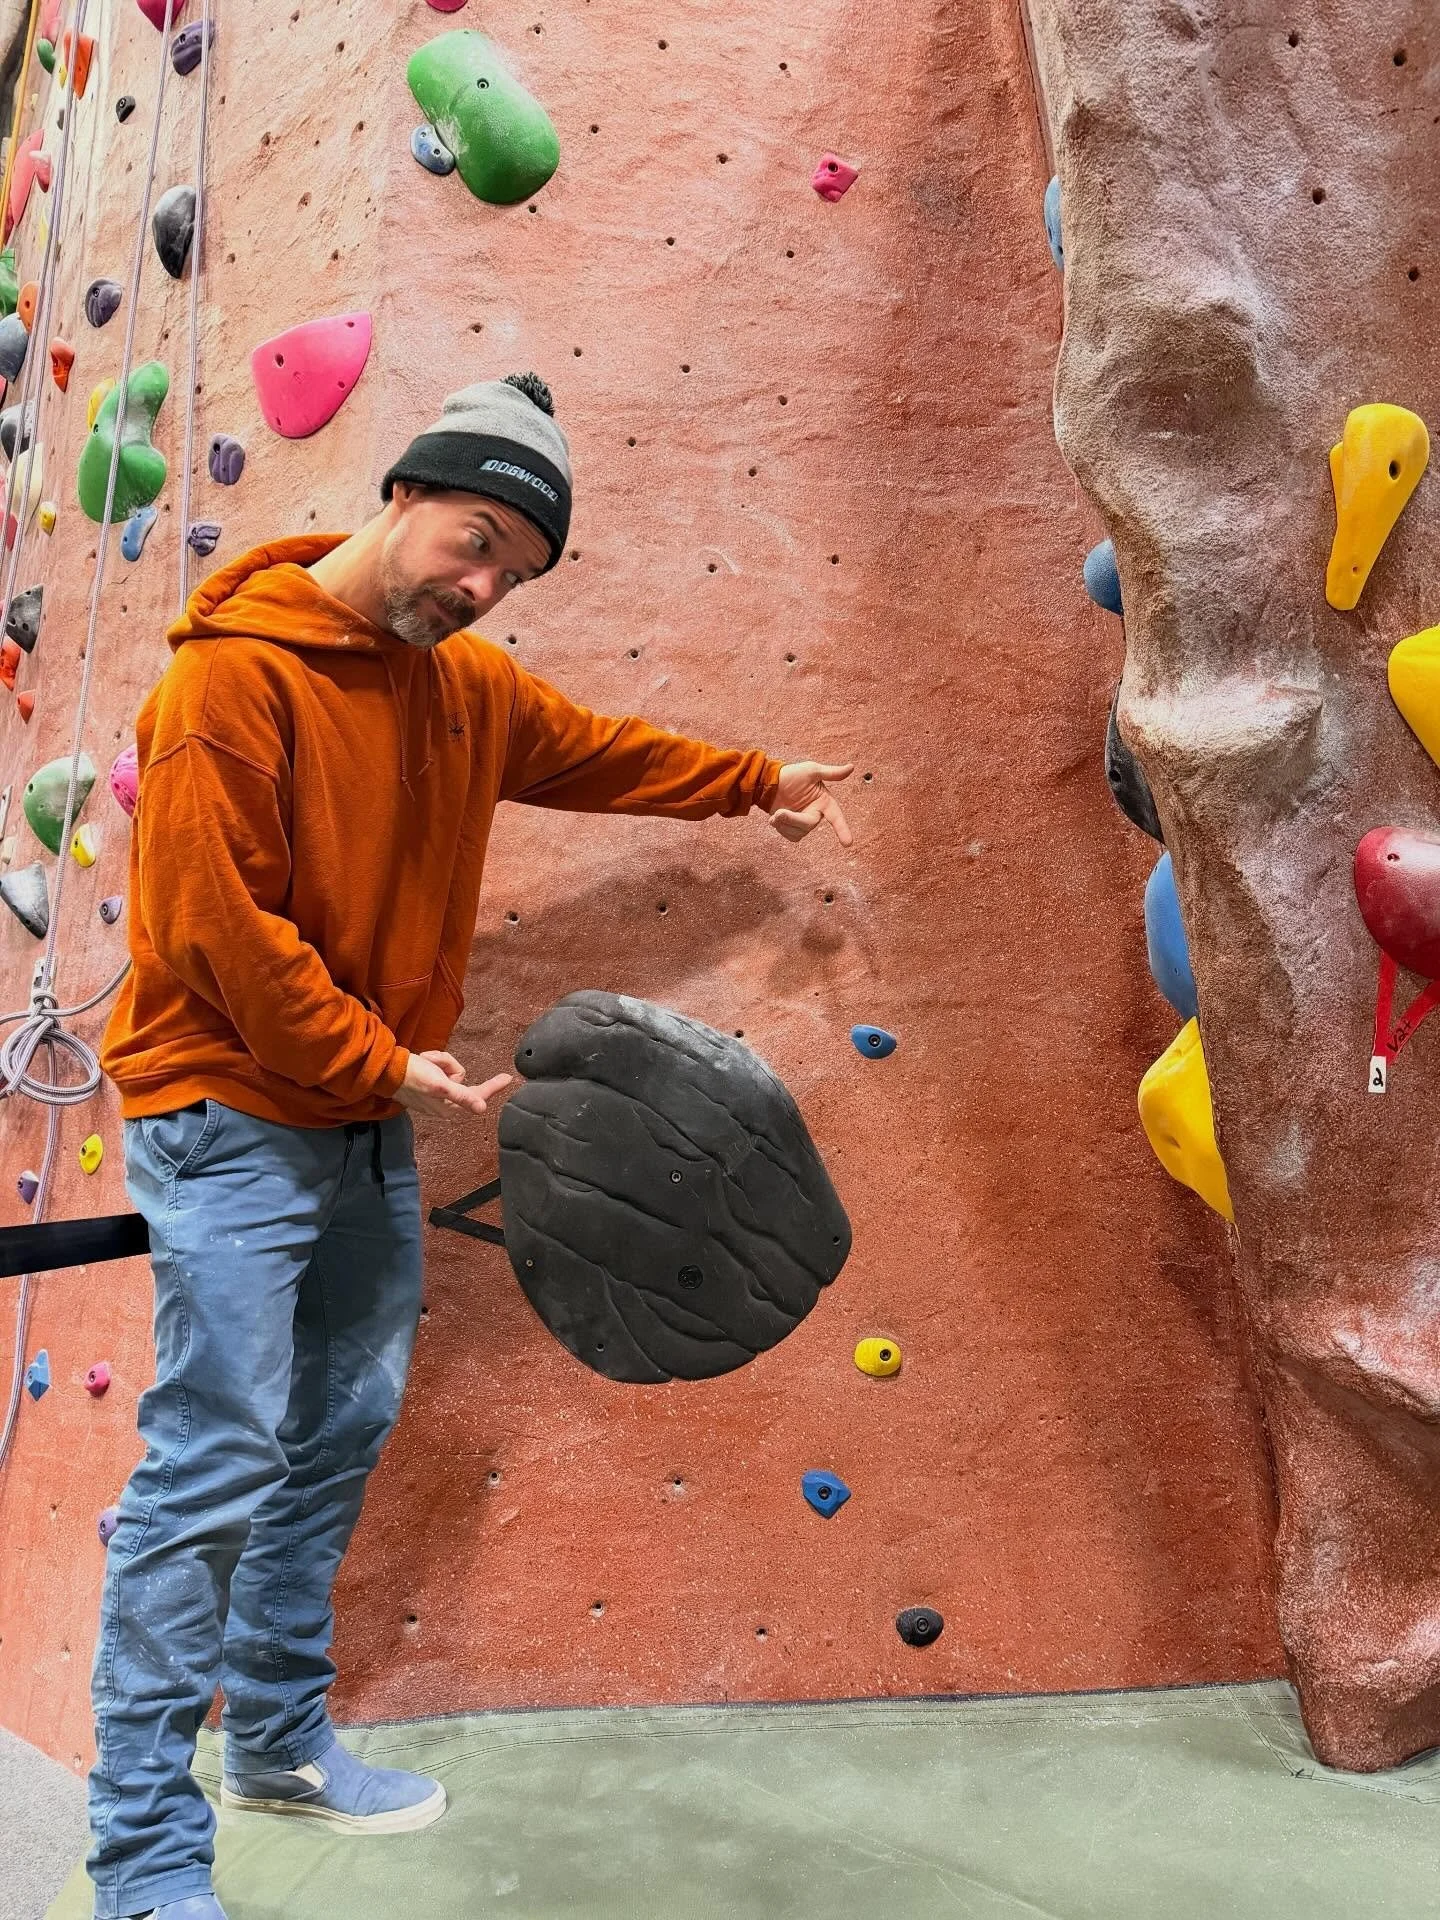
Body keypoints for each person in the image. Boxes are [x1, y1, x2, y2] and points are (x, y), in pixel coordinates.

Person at [84, 371, 853, 1920]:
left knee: (338, 1432)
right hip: (224, 1111)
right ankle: (142, 1864)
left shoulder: (463, 690)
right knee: (214, 1459)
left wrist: (758, 784)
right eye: (475, 538)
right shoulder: (227, 687)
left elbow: (596, 750)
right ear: (404, 494)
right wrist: (386, 1062)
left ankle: (279, 1743)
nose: (484, 584)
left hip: (363, 1111)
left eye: (513, 570)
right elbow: (222, 936)